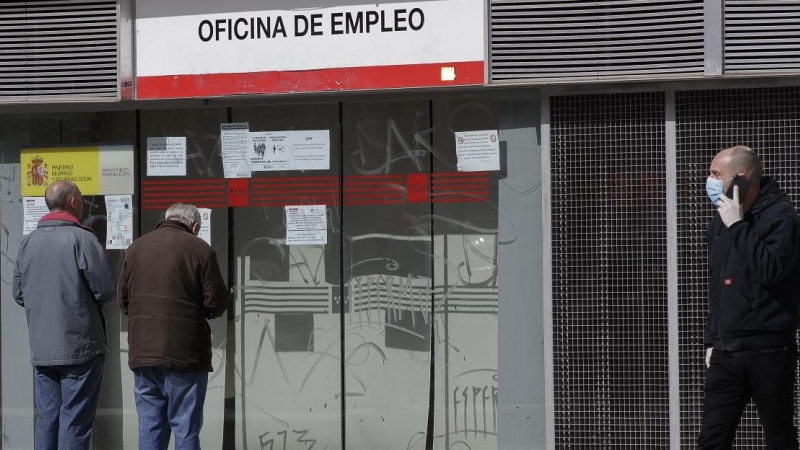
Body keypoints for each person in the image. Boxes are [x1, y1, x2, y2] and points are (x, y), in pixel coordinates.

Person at [699, 145, 800, 449]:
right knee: (712, 438)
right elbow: (718, 284)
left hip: (768, 350)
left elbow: (770, 270)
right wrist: (711, 339)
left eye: (716, 174)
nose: (709, 181)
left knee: (778, 435)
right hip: (726, 350)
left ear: (741, 180)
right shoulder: (720, 220)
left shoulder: (782, 217)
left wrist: (739, 225)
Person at [12, 180, 116, 450]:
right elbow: (105, 289)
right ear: (73, 202)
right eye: (80, 197)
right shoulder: (83, 238)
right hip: (80, 346)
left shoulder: (28, 243)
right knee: (75, 421)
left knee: (47, 418)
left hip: (43, 349)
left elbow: (19, 293)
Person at [117, 203, 228, 450]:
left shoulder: (135, 249)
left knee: (150, 427)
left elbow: (123, 301)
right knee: (185, 429)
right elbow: (216, 303)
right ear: (195, 226)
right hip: (185, 355)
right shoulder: (200, 250)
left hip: (143, 354)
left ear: (166, 218)